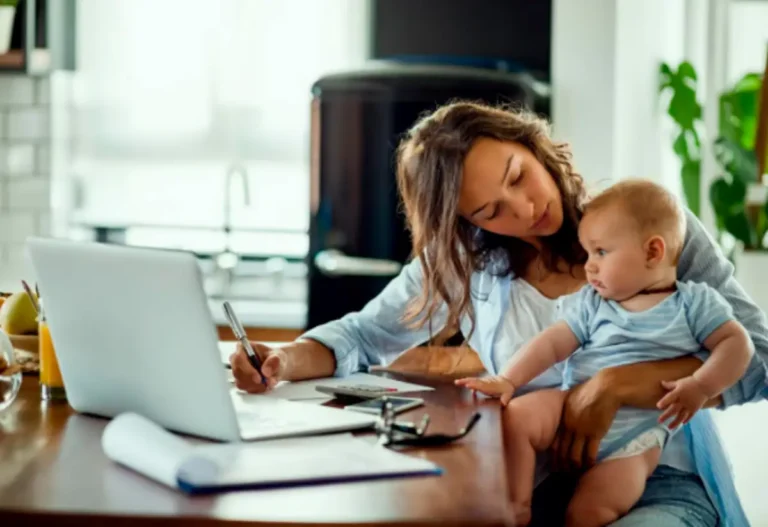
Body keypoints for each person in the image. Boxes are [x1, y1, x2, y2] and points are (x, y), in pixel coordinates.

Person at [230, 101, 768, 526]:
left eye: (518, 176)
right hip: (527, 485)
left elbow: (760, 361)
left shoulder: (648, 227)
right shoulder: (465, 263)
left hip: (655, 479)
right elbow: (363, 336)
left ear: (531, 144)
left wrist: (614, 386)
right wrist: (283, 359)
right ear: (468, 222)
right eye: (492, 211)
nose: (526, 209)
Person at [455, 179, 754, 526]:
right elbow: (552, 343)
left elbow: (738, 344)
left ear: (653, 252)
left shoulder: (693, 303)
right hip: (571, 406)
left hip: (635, 439)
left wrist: (702, 385)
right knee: (518, 417)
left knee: (588, 512)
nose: (589, 267)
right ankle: (518, 506)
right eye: (587, 254)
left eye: (600, 252)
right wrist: (508, 379)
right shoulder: (594, 303)